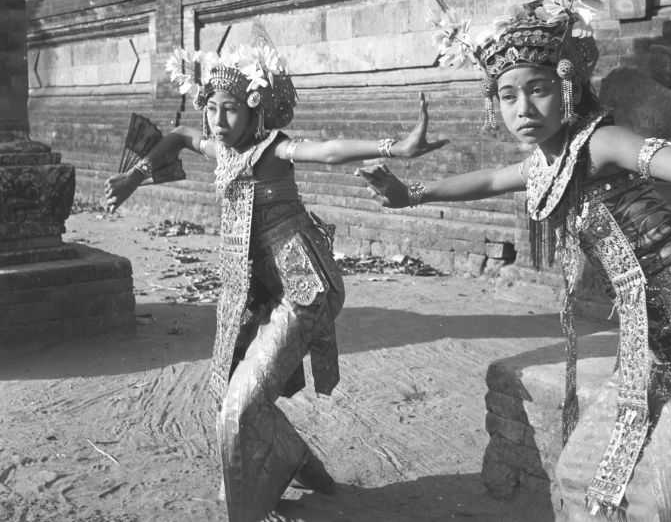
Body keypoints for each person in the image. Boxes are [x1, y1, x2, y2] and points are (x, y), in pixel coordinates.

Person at [359, 0, 671, 521]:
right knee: (583, 475)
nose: (523, 108)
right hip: (646, 335)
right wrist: (410, 194)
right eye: (507, 94)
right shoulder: (543, 163)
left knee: (665, 497)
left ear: (567, 86)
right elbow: (489, 180)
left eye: (537, 89)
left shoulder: (602, 144)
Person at [103, 41, 446, 522]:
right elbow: (180, 135)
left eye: (231, 111)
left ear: (255, 110)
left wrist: (396, 147)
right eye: (213, 109)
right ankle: (302, 465)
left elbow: (326, 151)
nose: (219, 122)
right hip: (251, 290)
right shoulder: (219, 146)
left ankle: (248, 507)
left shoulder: (273, 149)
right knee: (228, 393)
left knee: (239, 410)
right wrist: (137, 176)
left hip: (303, 288)